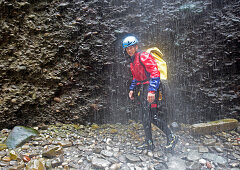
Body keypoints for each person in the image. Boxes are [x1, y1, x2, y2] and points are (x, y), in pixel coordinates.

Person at [122, 35, 178, 151]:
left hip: (151, 88)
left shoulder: (144, 56)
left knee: (152, 116)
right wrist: (132, 89)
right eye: (127, 48)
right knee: (145, 116)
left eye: (131, 47)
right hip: (143, 89)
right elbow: (136, 78)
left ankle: (171, 136)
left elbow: (155, 73)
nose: (129, 50)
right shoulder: (133, 61)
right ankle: (149, 143)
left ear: (136, 47)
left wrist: (152, 90)